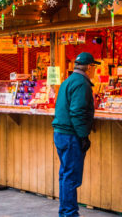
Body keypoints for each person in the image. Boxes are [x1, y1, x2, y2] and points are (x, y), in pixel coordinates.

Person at [52, 52, 100, 217]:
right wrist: (83, 135)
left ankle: (65, 211)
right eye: (93, 66)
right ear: (89, 67)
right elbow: (77, 112)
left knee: (65, 175)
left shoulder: (68, 81)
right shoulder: (82, 84)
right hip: (71, 135)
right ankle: (69, 214)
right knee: (71, 177)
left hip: (61, 133)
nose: (94, 70)